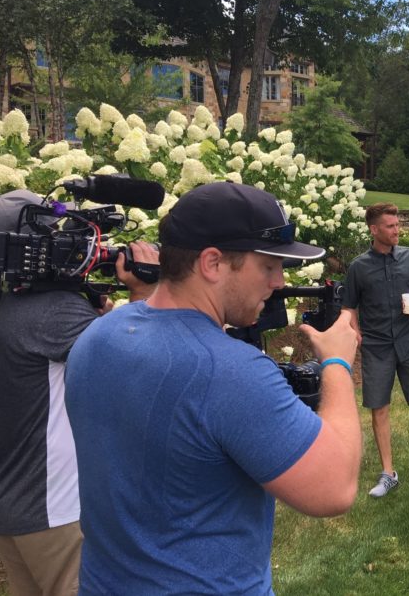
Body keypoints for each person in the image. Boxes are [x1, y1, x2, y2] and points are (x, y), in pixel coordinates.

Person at [65, 181, 362, 593]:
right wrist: (337, 363)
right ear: (213, 263)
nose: (278, 282)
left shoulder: (99, 335)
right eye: (268, 266)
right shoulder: (229, 372)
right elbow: (335, 488)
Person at [0, 189, 157, 595]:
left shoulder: (14, 307)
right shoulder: (55, 314)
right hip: (58, 514)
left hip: (14, 511)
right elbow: (141, 367)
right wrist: (145, 294)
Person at [342, 202, 409, 498]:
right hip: (377, 347)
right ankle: (388, 473)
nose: (397, 230)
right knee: (380, 408)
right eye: (390, 226)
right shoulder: (359, 268)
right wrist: (356, 331)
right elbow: (349, 306)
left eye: (397, 225)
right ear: (374, 230)